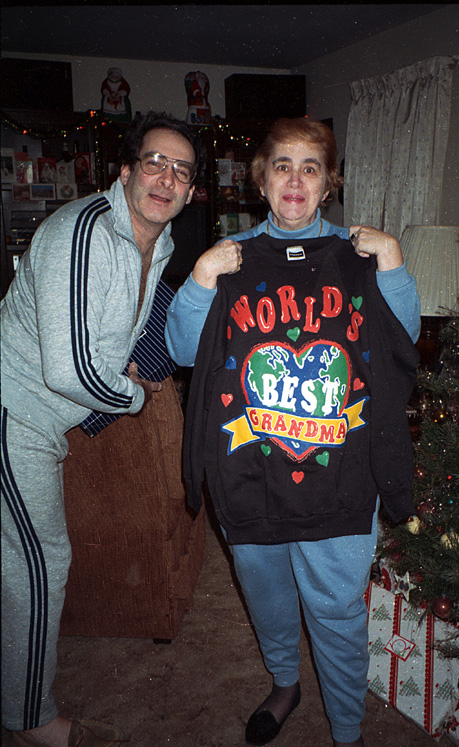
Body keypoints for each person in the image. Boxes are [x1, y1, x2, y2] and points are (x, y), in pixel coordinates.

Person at [165, 118, 421, 747]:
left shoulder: (360, 258)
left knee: (335, 612)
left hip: (339, 478)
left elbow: (403, 342)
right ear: (262, 179)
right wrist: (200, 282)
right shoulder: (230, 261)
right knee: (268, 594)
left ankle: (348, 732)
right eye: (282, 164)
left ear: (329, 183)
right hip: (250, 471)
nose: (296, 178)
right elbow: (179, 348)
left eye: (311, 166)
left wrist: (392, 267)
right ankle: (285, 684)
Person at [1, 111, 199, 747]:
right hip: (12, 410)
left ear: (192, 191)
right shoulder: (82, 230)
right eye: (155, 163)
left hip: (40, 421)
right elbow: (70, 368)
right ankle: (29, 718)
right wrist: (134, 399)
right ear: (125, 171)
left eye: (181, 171)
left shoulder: (158, 246)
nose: (166, 178)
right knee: (39, 562)